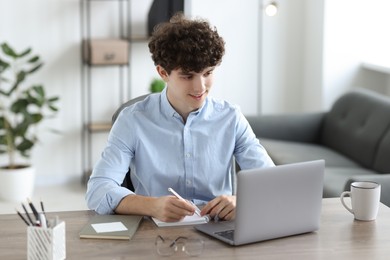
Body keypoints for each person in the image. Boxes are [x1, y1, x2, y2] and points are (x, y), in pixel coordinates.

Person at [86, 13, 274, 222]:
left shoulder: (231, 117)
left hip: (218, 231)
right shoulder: (132, 120)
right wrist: (152, 206)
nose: (200, 87)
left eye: (207, 73)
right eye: (187, 76)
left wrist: (241, 201)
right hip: (156, 233)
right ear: (163, 73)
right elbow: (98, 191)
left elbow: (270, 181)